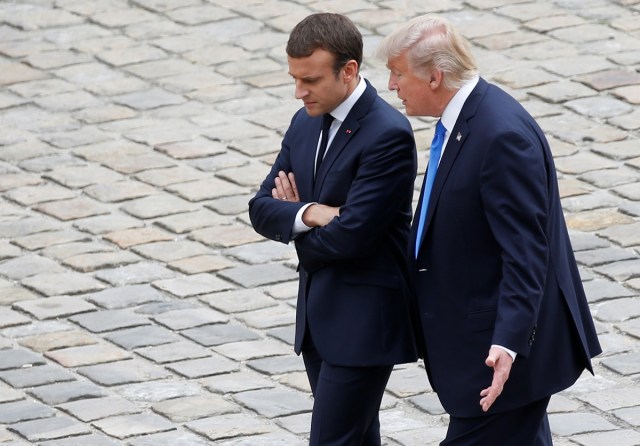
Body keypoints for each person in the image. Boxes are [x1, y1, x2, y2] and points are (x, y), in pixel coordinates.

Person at [377, 15, 602, 445]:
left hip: (502, 361)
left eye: (398, 73)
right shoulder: (464, 123)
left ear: (435, 76)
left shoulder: (499, 135)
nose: (392, 85)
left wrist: (508, 344)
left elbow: (526, 252)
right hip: (484, 352)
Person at [248, 13, 419, 445]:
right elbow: (261, 208)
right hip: (318, 320)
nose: (298, 90)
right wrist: (309, 214)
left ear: (349, 70)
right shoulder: (304, 121)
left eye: (310, 79)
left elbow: (354, 236)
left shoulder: (387, 134)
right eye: (294, 78)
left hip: (363, 325)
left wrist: (295, 227)